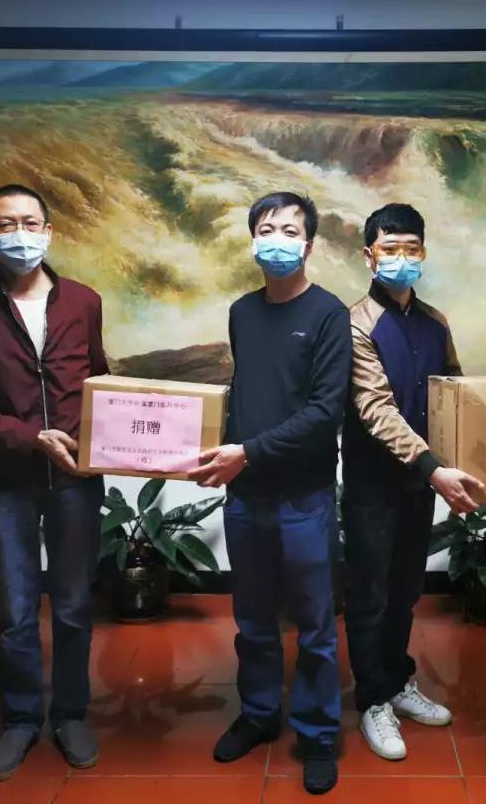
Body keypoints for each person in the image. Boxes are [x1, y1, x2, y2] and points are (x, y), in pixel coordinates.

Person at [0, 184, 108, 782]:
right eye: (6, 224)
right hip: (3, 482)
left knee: (75, 604)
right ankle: (21, 719)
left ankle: (72, 714)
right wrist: (30, 437)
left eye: (31, 222)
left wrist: (109, 442)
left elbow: (98, 380)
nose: (20, 234)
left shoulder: (83, 301)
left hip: (75, 481)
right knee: (15, 609)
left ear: (49, 231)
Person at [189, 191, 351, 795]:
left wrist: (249, 451)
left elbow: (325, 412)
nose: (276, 239)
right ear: (252, 239)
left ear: (308, 244)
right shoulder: (242, 312)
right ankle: (259, 714)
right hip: (245, 496)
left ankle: (318, 733)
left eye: (289, 230)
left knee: (314, 625)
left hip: (304, 497)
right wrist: (217, 451)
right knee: (253, 619)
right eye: (266, 228)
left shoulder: (330, 314)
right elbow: (249, 396)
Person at [340, 203, 483, 761]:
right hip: (374, 484)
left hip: (421, 484)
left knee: (405, 589)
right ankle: (373, 699)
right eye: (390, 248)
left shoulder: (436, 322)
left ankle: (397, 681)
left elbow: (455, 392)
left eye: (411, 248)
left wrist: (475, 454)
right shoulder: (354, 323)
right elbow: (375, 409)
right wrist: (434, 468)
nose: (401, 257)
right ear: (369, 254)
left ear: (423, 252)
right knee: (370, 593)